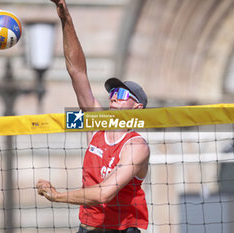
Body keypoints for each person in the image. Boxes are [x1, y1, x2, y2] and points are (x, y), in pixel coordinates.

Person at [36, 0, 150, 232]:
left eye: (121, 93)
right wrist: (65, 19)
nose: (113, 96)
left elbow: (104, 193)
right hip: (87, 227)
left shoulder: (136, 145)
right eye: (112, 92)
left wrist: (58, 196)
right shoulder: (97, 123)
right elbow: (77, 71)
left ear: (137, 107)